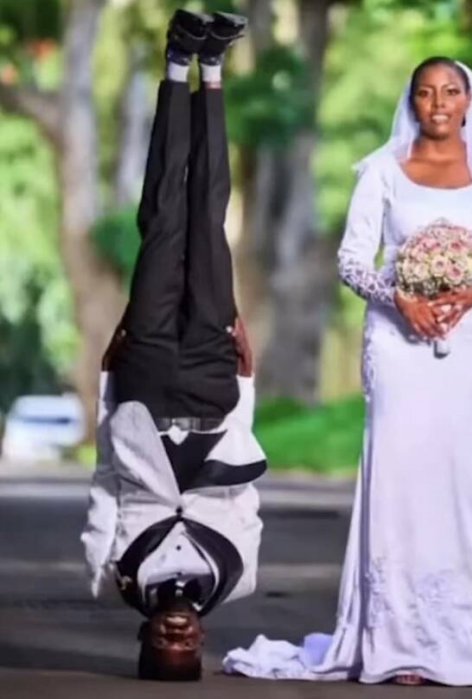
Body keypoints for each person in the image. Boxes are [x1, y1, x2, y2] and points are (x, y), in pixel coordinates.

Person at [223, 57, 472, 686]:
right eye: (426, 92)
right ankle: (394, 641)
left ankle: (454, 637)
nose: (438, 102)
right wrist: (402, 298)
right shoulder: (382, 171)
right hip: (398, 345)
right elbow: (351, 260)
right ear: (412, 101)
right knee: (399, 482)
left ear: (469, 102)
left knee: (459, 486)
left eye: (451, 91)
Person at [81, 9, 267, 682]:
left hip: (148, 385)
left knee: (164, 219)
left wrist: (109, 382)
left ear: (147, 638)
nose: (178, 636)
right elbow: (244, 489)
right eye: (187, 649)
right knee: (208, 219)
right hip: (214, 392)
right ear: (202, 641)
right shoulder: (238, 576)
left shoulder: (112, 572)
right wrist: (246, 384)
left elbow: (107, 477)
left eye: (165, 646)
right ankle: (211, 69)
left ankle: (176, 61)